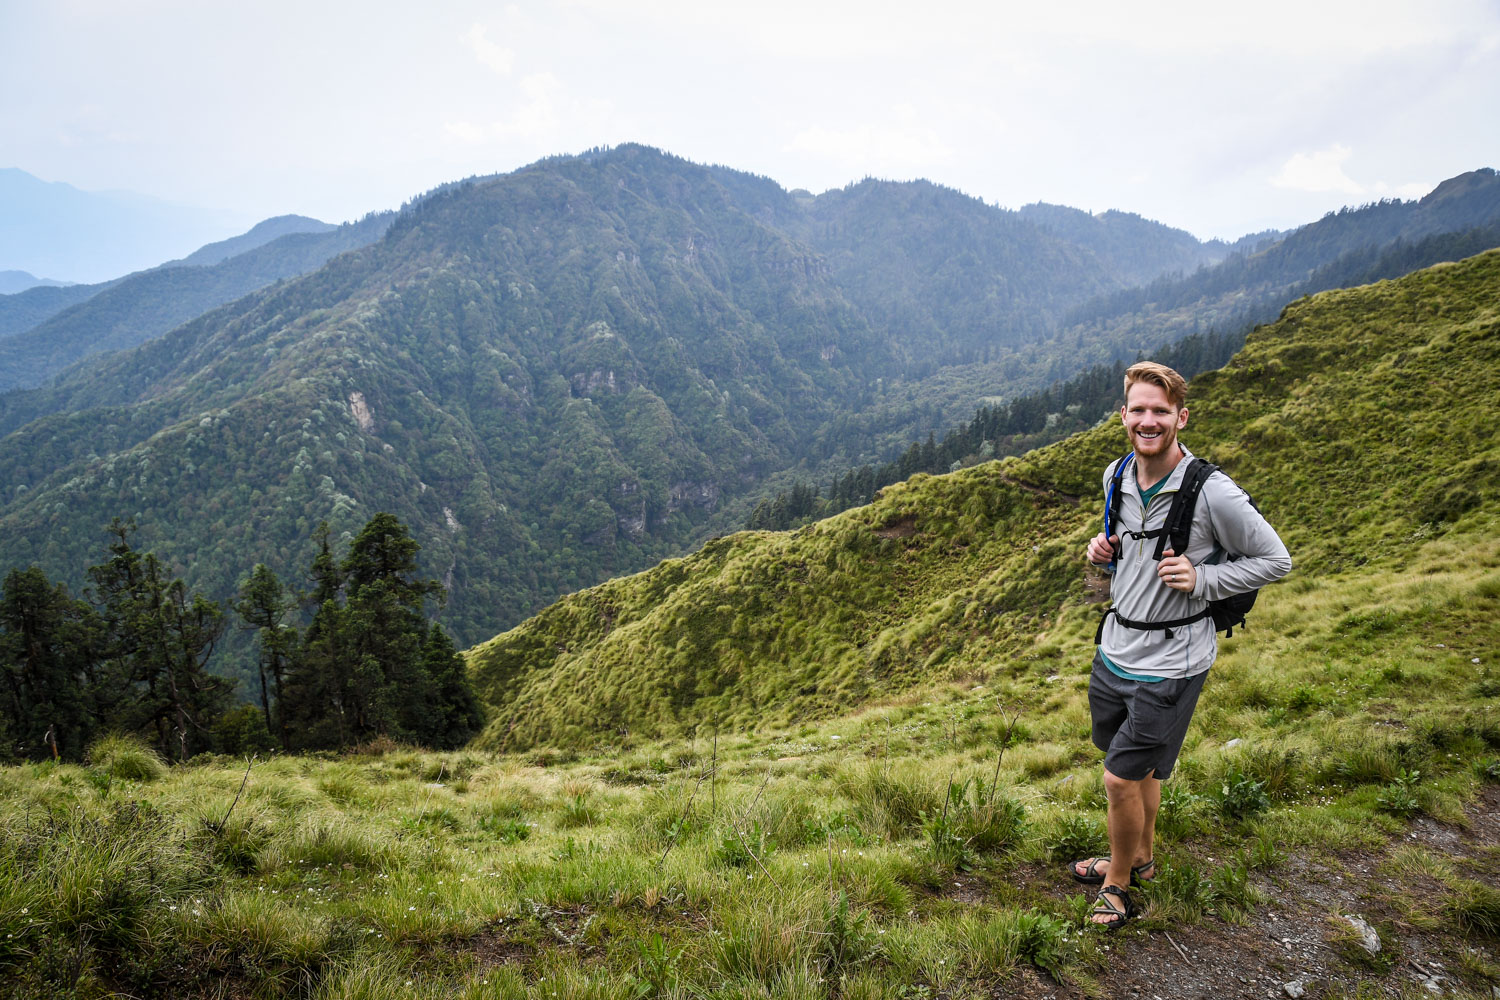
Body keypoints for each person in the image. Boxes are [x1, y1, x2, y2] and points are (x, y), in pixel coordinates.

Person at [1073, 361, 1291, 929]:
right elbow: (1129, 552)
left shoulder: (1212, 491)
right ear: (1123, 415)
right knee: (1139, 772)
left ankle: (1118, 886)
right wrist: (1103, 550)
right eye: (1138, 410)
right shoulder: (1115, 476)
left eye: (1160, 411)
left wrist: (1204, 580)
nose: (1148, 421)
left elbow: (1276, 560)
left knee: (1119, 778)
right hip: (1117, 648)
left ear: (1181, 417)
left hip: (1172, 660)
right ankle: (1139, 857)